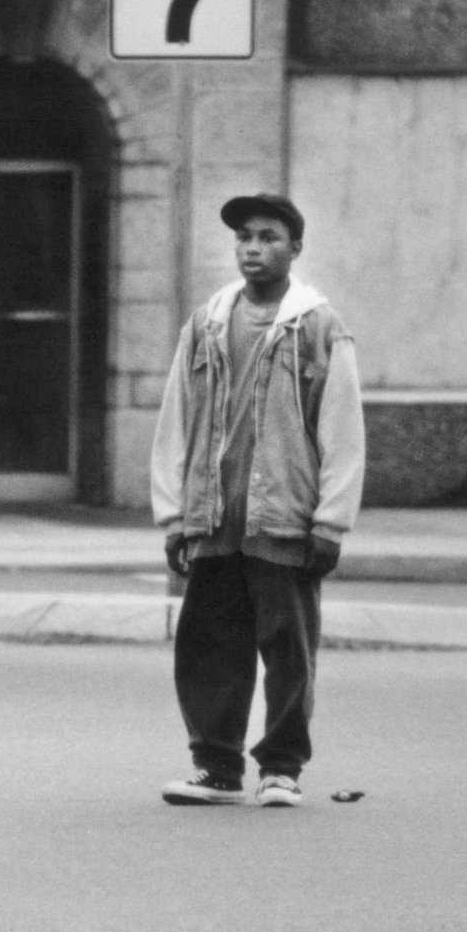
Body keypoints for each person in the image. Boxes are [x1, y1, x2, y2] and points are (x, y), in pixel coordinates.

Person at [150, 193, 365, 808]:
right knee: (209, 645)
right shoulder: (208, 322)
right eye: (245, 236)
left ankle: (282, 767)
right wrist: (175, 515)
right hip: (215, 516)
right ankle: (216, 768)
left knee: (288, 647)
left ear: (295, 248)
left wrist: (331, 522)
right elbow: (176, 419)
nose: (253, 248)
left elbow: (343, 429)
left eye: (269, 237)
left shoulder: (318, 325)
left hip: (284, 519)